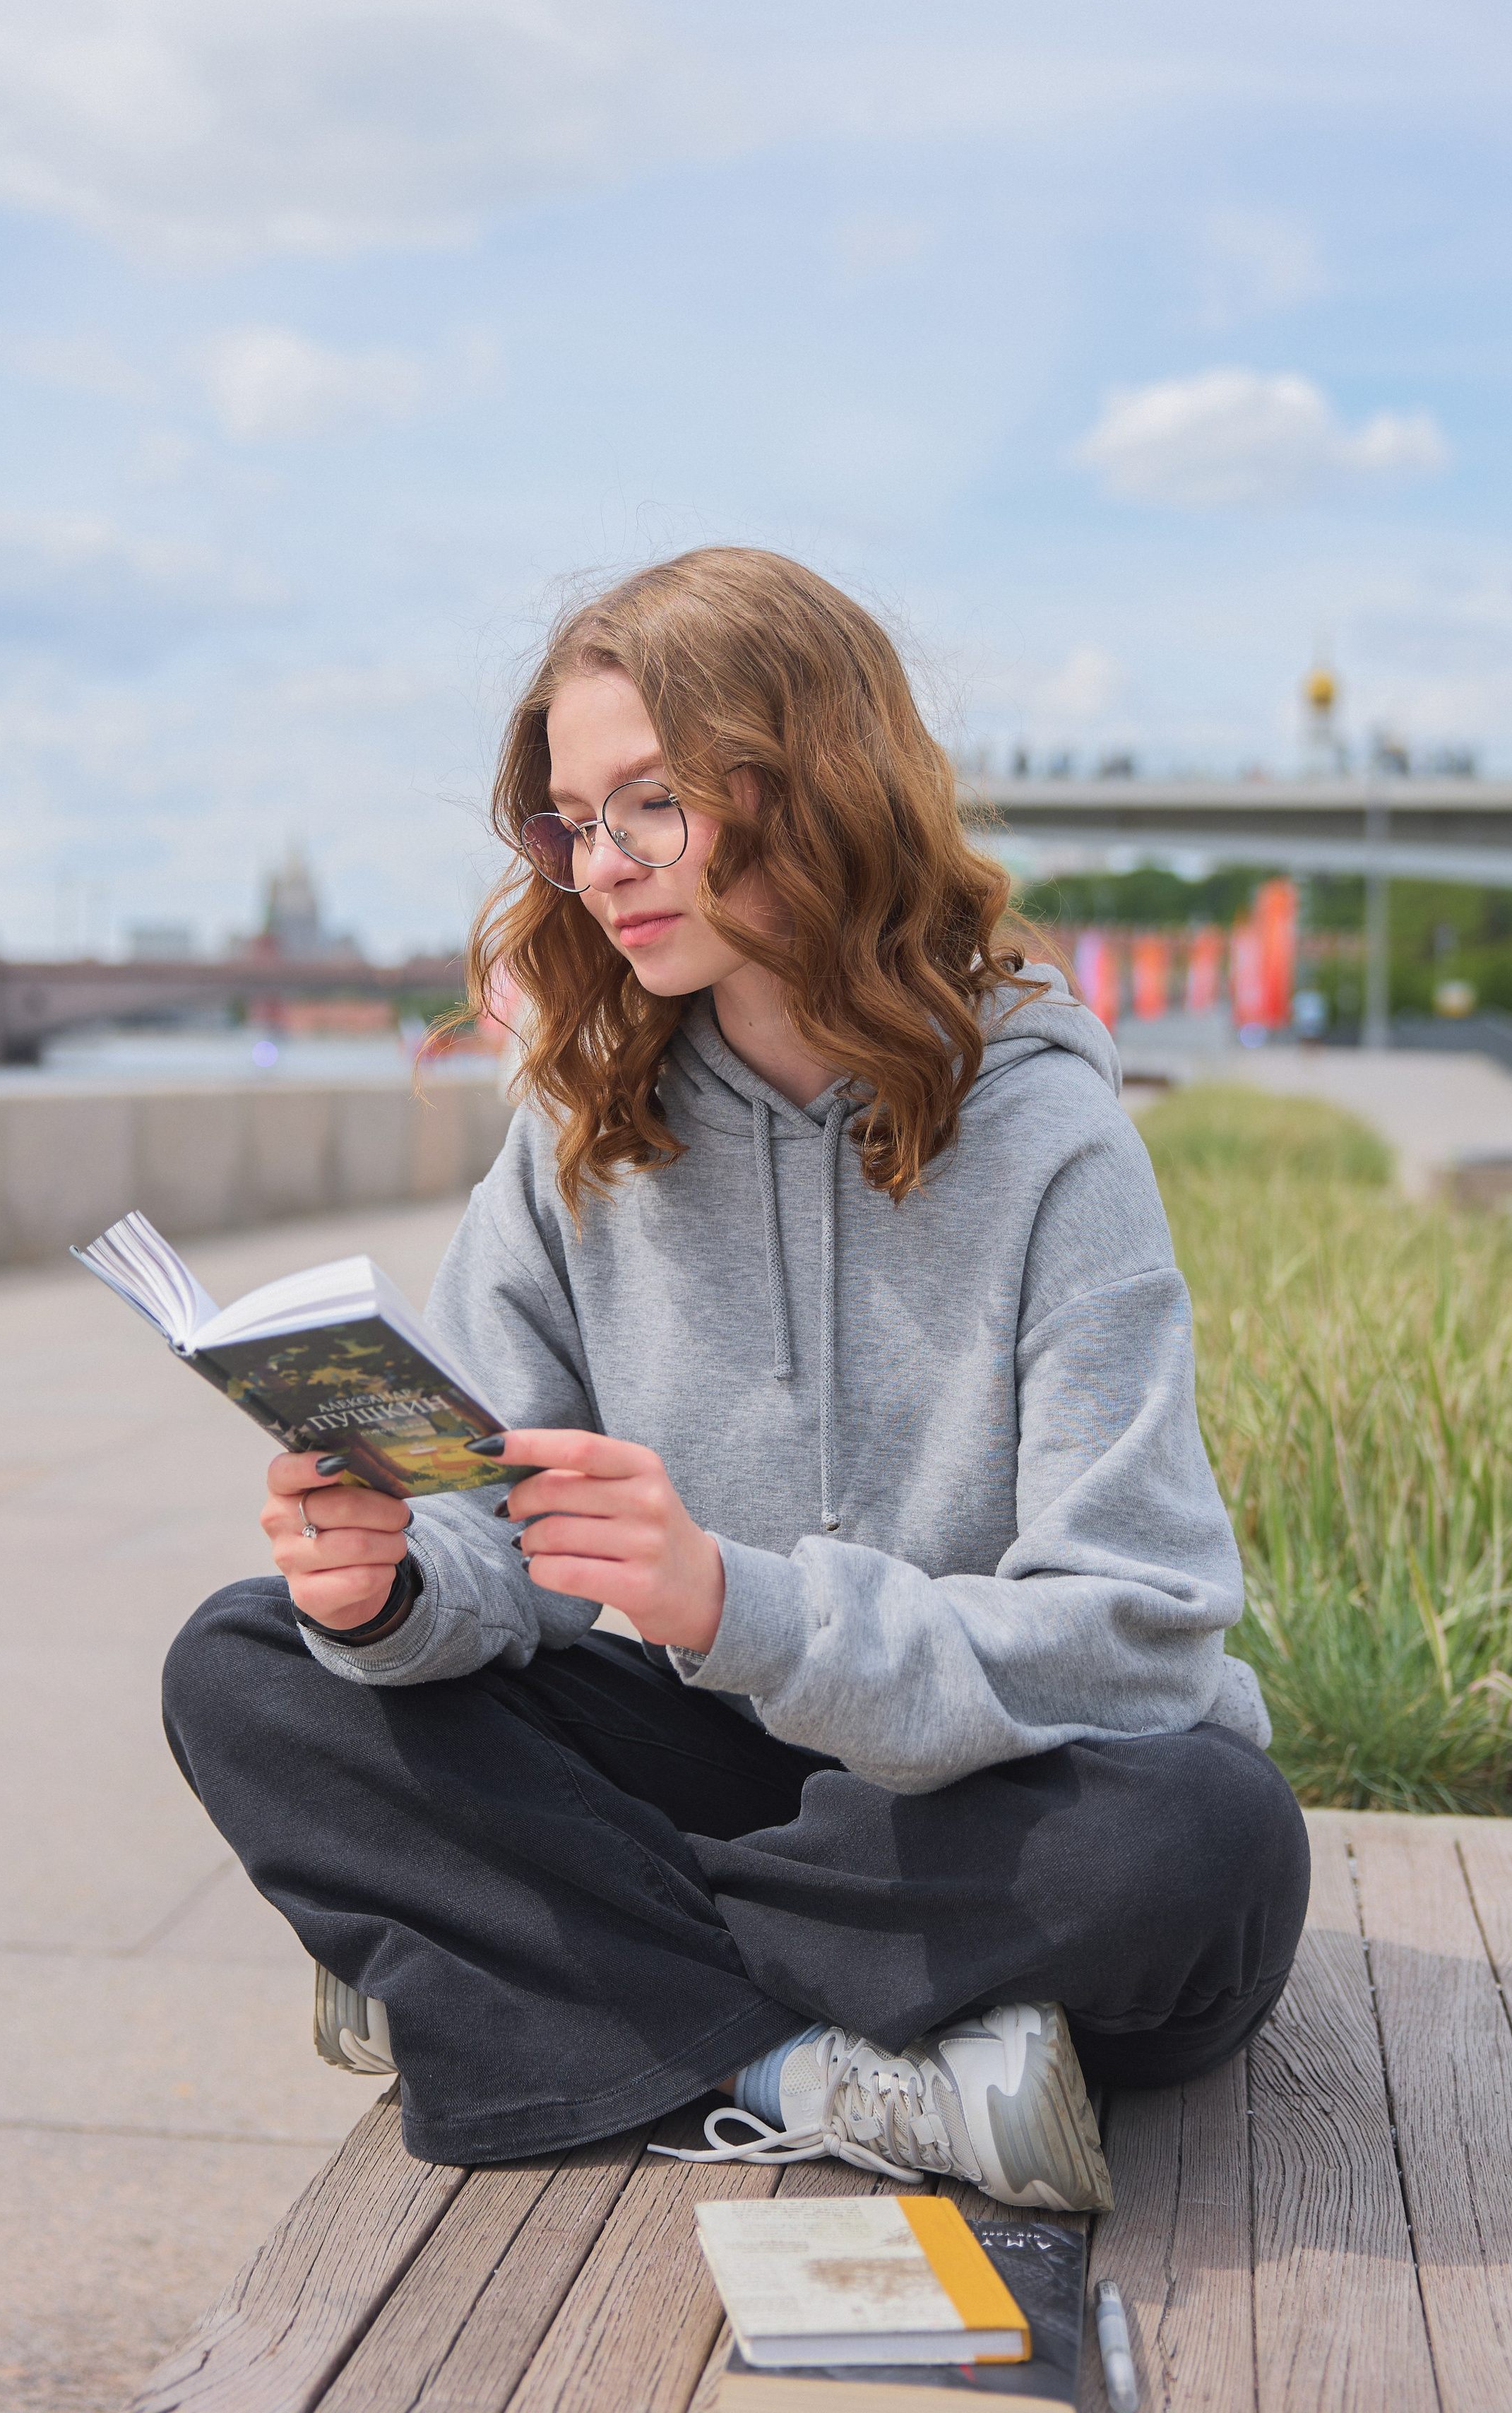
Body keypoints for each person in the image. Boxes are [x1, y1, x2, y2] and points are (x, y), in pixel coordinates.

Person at [162, 548, 1309, 2204]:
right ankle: (795, 2066)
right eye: (570, 822)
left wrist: (733, 1604)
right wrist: (392, 1587)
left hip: (990, 1798)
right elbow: (491, 1538)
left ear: (815, 787)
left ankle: (507, 1955)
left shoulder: (1053, 1142)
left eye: (651, 805)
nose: (598, 867)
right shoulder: (576, 1137)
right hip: (760, 1791)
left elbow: (1137, 1632)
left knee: (1201, 1847)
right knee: (248, 1661)